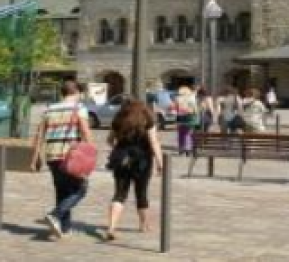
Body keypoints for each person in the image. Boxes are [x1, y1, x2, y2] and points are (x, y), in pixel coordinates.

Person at [31, 80, 94, 240]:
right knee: (81, 189)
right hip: (70, 156)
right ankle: (55, 215)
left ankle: (64, 228)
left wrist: (35, 157)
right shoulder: (79, 108)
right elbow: (86, 133)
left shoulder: (49, 109)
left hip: (52, 156)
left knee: (62, 191)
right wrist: (91, 153)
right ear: (76, 93)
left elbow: (39, 135)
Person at [104, 98, 163, 241]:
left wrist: (119, 149)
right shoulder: (146, 118)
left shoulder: (118, 119)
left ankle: (111, 227)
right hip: (142, 159)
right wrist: (160, 162)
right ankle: (144, 224)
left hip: (122, 159)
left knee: (119, 193)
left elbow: (109, 140)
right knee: (141, 192)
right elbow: (153, 141)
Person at [171, 85, 198, 155]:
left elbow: (173, 109)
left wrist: (179, 111)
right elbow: (195, 110)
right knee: (188, 134)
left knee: (180, 134)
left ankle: (181, 149)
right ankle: (188, 149)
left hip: (180, 118)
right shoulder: (191, 98)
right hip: (190, 118)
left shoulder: (177, 99)